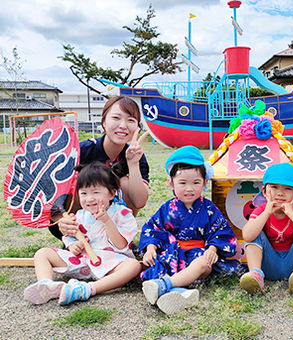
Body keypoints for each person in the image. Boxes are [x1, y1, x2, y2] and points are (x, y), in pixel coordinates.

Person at [138, 146, 242, 314]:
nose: (189, 189)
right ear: (170, 183)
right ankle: (180, 293)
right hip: (173, 254)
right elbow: (152, 228)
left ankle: (165, 285)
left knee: (203, 263)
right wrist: (150, 248)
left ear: (205, 182)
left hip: (198, 255)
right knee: (156, 264)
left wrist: (213, 249)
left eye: (196, 183)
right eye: (182, 183)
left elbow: (220, 230)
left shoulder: (208, 208)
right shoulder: (167, 208)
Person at [24, 162, 141, 305]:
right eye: (84, 193)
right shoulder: (79, 215)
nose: (89, 198)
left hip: (110, 263)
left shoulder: (122, 214)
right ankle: (47, 285)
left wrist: (107, 221)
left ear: (112, 193)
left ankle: (87, 289)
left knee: (133, 266)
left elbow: (121, 245)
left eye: (96, 192)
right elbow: (71, 236)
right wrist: (73, 245)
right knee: (42, 253)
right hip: (81, 262)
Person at [53, 95, 150, 239]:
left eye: (130, 120)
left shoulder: (137, 156)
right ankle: (78, 241)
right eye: (116, 118)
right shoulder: (82, 151)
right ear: (104, 122)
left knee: (124, 182)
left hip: (114, 229)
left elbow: (139, 202)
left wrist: (133, 164)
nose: (123, 125)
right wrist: (61, 220)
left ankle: (118, 240)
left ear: (137, 127)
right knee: (85, 181)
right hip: (71, 226)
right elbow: (52, 194)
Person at [240, 163, 293, 295]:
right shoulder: (261, 210)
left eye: (288, 189)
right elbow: (247, 235)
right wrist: (266, 213)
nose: (280, 193)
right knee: (254, 232)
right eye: (274, 187)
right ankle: (255, 274)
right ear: (264, 192)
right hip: (268, 265)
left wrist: (291, 214)